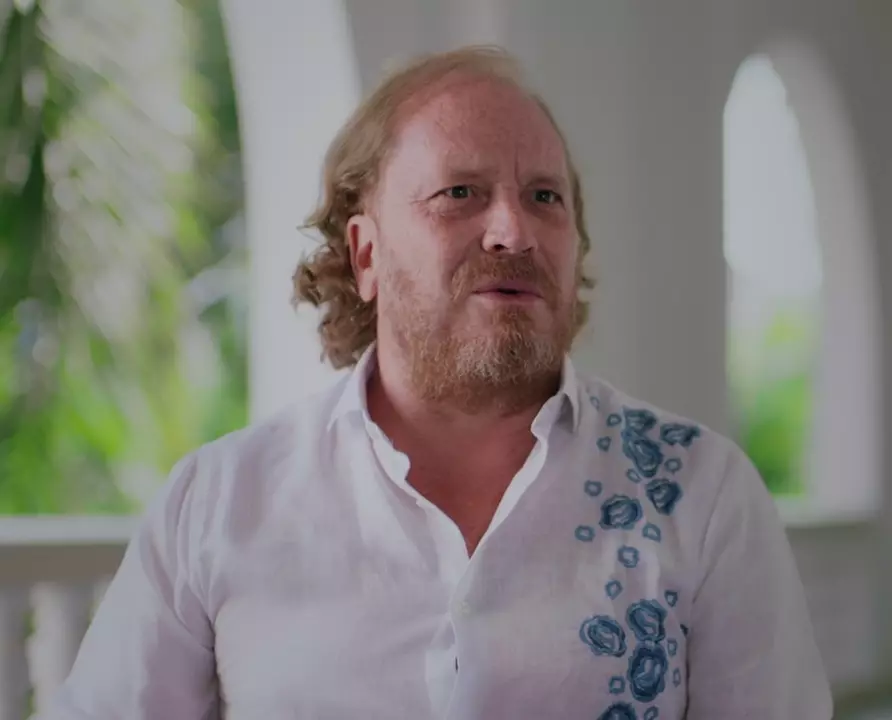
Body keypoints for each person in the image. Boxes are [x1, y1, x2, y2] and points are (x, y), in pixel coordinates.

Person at [43, 46, 832, 720]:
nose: (513, 231)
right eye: (460, 193)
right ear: (366, 255)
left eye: (545, 198)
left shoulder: (702, 495)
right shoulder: (216, 507)